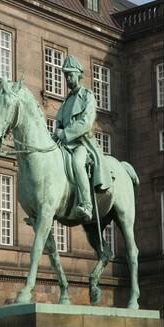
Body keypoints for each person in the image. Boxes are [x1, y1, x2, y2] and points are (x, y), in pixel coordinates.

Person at [52, 55, 111, 222]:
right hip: (64, 144)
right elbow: (60, 122)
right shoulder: (66, 101)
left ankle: (86, 204)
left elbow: (86, 122)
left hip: (82, 143)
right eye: (66, 76)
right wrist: (57, 133)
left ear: (78, 74)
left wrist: (65, 133)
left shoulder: (87, 96)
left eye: (70, 75)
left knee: (77, 163)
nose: (68, 79)